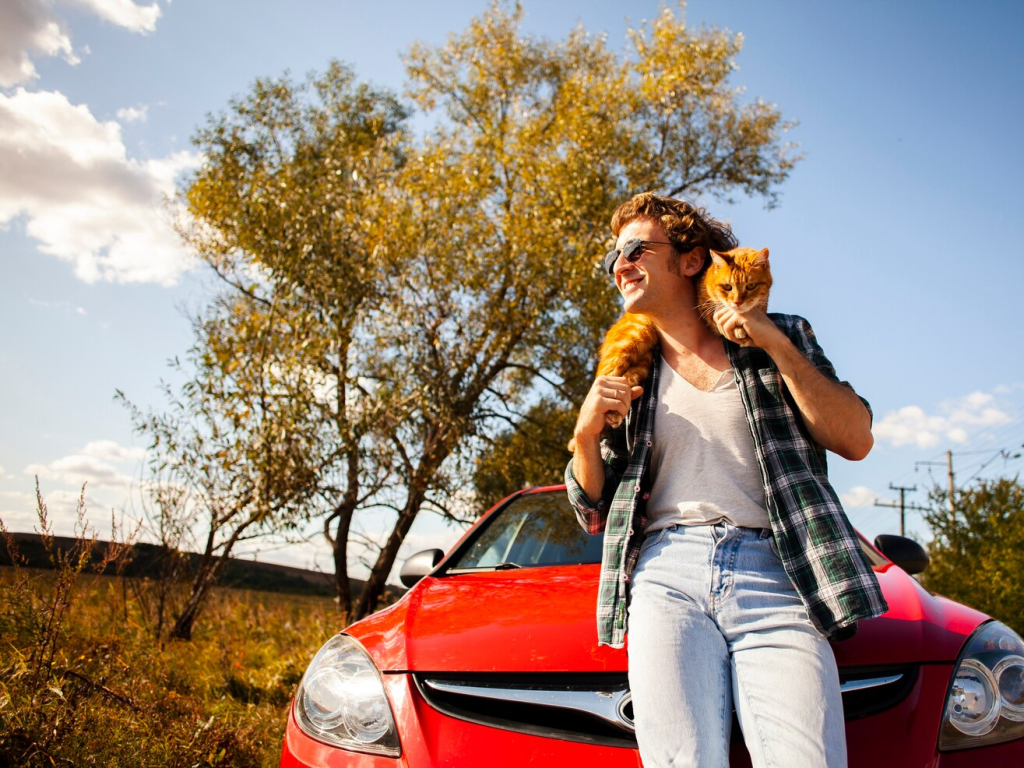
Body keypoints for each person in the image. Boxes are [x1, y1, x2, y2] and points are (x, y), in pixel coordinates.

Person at [565, 192, 887, 767]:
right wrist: (586, 436)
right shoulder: (629, 366)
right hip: (666, 574)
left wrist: (771, 341)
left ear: (692, 260)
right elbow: (593, 512)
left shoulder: (781, 334)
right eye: (614, 255)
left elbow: (855, 439)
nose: (620, 265)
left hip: (778, 570)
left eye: (637, 248)